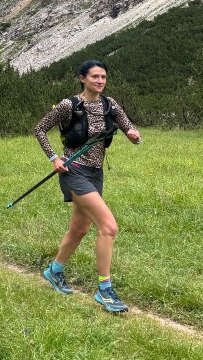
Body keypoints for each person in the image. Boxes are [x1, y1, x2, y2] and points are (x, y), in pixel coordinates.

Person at [33, 59, 141, 313]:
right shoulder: (69, 105)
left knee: (80, 229)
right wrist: (53, 158)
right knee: (109, 227)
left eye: (103, 77)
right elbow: (39, 129)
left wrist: (134, 135)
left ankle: (54, 271)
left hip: (96, 173)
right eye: (95, 77)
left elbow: (128, 127)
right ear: (83, 78)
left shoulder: (109, 104)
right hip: (74, 171)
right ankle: (105, 289)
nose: (100, 81)